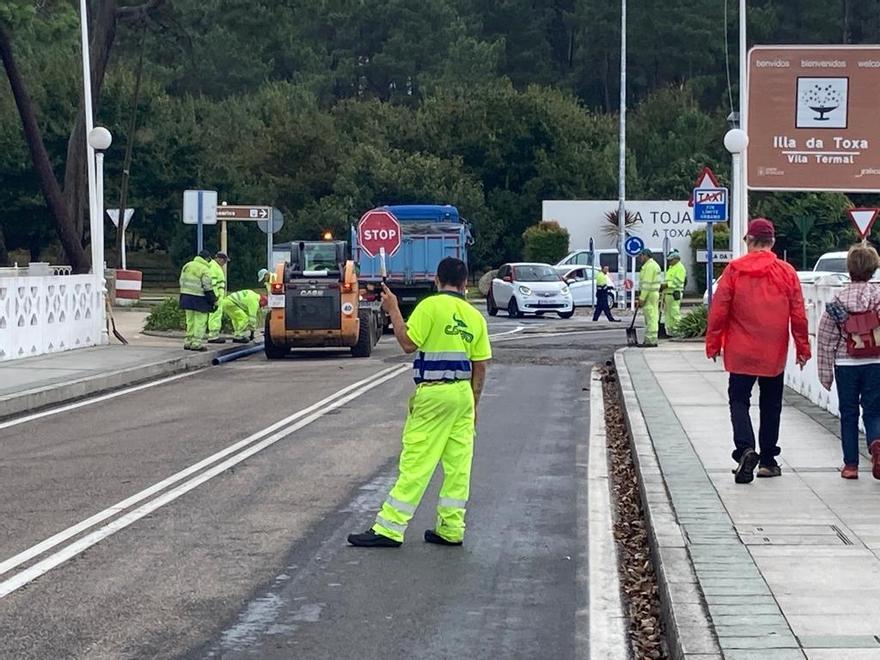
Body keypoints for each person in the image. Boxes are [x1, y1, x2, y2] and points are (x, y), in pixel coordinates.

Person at [348, 257, 491, 548]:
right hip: (463, 395)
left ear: (438, 280)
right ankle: (451, 528)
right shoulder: (474, 316)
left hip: (435, 393)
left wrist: (394, 310)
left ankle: (390, 527)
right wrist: (474, 405)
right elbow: (481, 365)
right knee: (458, 465)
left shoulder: (430, 306)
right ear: (465, 284)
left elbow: (407, 343)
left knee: (417, 461)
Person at [705, 218, 810, 484]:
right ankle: (768, 460)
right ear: (772, 242)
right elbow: (798, 314)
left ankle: (745, 448)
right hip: (773, 352)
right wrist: (802, 347)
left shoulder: (734, 270)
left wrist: (713, 342)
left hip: (741, 350)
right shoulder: (786, 272)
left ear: (748, 241)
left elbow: (719, 310)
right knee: (771, 404)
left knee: (738, 400)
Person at [817, 244, 880, 480]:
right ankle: (876, 442)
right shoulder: (878, 297)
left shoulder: (837, 301)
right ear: (874, 269)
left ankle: (851, 466)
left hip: (846, 363)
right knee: (874, 411)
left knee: (849, 413)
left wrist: (825, 375)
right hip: (876, 361)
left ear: (849, 269)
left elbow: (826, 338)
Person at [178, 250, 217, 352]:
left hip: (186, 296)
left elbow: (181, 280)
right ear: (207, 259)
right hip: (199, 298)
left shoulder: (187, 265)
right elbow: (207, 286)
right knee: (200, 321)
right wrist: (213, 300)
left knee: (190, 321)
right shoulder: (205, 269)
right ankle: (196, 343)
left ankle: (188, 341)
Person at [636, 248, 661, 346]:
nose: (640, 258)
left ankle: (650, 340)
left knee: (650, 317)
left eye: (641, 256)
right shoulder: (653, 265)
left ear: (645, 255)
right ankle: (651, 339)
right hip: (653, 294)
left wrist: (642, 298)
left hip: (649, 294)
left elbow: (646, 284)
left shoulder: (649, 267)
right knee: (652, 316)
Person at [662, 250, 687, 336]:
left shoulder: (680, 268)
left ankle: (679, 330)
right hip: (668, 294)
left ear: (676, 259)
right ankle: (670, 331)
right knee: (668, 314)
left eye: (671, 260)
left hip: (674, 293)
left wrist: (666, 285)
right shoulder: (671, 268)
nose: (669, 262)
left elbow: (677, 282)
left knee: (674, 313)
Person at [206, 252, 229, 344]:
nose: (224, 263)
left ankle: (214, 334)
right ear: (219, 259)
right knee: (215, 315)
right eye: (224, 261)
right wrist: (215, 297)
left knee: (216, 315)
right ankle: (213, 336)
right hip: (216, 297)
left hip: (218, 297)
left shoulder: (215, 267)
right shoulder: (213, 267)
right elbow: (213, 283)